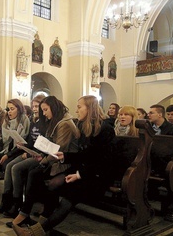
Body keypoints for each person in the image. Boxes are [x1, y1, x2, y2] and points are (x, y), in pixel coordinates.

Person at [12, 95, 115, 236]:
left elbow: (104, 161)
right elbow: (86, 155)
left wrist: (79, 175)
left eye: (79, 107)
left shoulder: (105, 129)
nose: (76, 110)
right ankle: (42, 224)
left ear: (90, 108)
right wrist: (65, 156)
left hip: (98, 175)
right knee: (53, 184)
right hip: (85, 169)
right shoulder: (84, 126)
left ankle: (34, 233)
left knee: (69, 195)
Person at [10, 96, 80, 228]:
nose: (44, 113)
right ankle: (31, 213)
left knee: (35, 173)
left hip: (66, 163)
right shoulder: (57, 120)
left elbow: (59, 150)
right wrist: (41, 155)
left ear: (54, 107)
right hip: (56, 160)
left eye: (46, 110)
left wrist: (43, 160)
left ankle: (29, 214)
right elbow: (51, 144)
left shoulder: (64, 123)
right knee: (33, 172)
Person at [0, 95, 46, 217]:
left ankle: (17, 204)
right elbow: (31, 140)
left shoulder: (40, 123)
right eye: (33, 106)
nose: (34, 109)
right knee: (9, 166)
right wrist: (24, 145)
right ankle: (6, 201)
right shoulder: (34, 121)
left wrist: (27, 151)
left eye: (37, 106)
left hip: (37, 154)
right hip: (28, 151)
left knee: (15, 168)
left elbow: (42, 143)